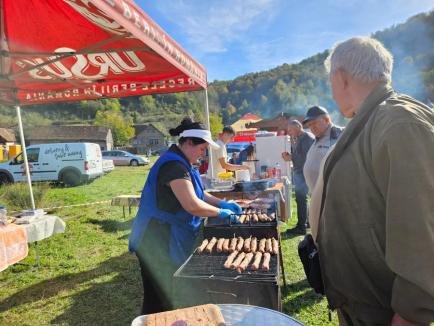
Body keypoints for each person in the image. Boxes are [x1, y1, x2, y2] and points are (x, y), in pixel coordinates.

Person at [317, 36, 434, 325]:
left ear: (341, 77)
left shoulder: (399, 122)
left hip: (384, 312)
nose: (332, 94)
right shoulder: (371, 120)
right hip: (363, 306)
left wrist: (410, 313)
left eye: (331, 83)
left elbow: (422, 228)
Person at [129, 118, 242, 315]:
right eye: (202, 149)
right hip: (156, 238)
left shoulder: (185, 162)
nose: (203, 153)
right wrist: (220, 213)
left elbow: (200, 193)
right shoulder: (173, 166)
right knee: (157, 296)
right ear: (188, 143)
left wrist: (221, 203)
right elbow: (191, 204)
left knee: (167, 289)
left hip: (167, 235)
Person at [282, 120, 314, 235]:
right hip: (300, 172)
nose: (289, 132)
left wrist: (290, 157)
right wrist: (290, 157)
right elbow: (298, 155)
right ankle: (308, 222)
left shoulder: (306, 138)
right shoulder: (298, 138)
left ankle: (301, 227)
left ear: (297, 127)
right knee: (304, 199)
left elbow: (306, 157)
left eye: (290, 130)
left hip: (304, 172)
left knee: (301, 199)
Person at [302, 105, 343, 193]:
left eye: (314, 123)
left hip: (332, 194)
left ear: (326, 120)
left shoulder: (339, 134)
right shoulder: (319, 137)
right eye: (309, 125)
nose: (312, 127)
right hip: (317, 195)